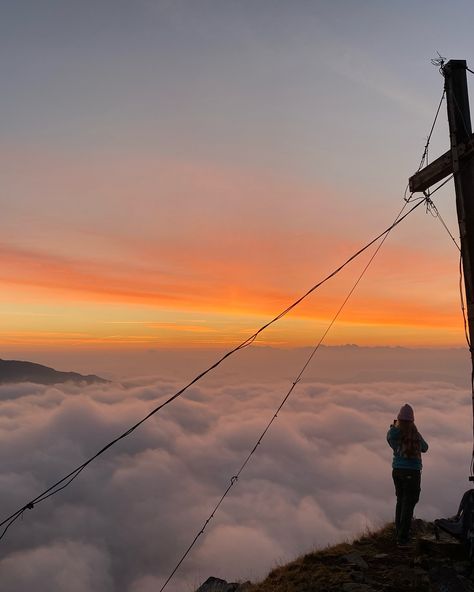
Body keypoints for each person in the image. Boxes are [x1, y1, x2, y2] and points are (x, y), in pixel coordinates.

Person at [386, 403, 428, 547]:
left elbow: (390, 440)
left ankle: (400, 534)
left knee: (401, 500)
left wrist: (394, 427)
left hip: (397, 470)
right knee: (409, 503)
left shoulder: (393, 434)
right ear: (412, 420)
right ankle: (403, 539)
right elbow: (425, 447)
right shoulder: (414, 433)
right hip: (412, 472)